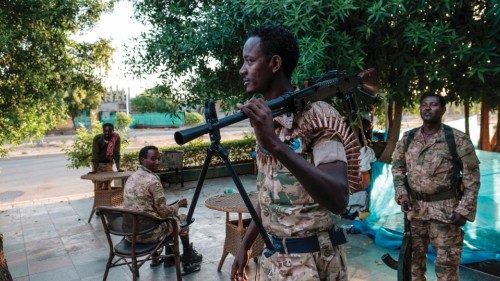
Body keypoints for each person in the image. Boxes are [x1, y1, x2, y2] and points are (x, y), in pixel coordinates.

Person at [231, 25, 359, 281]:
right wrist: (245, 245)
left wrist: (276, 146)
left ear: (275, 63)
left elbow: (338, 198)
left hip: (312, 262)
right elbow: (270, 193)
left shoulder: (320, 116)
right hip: (277, 260)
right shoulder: (269, 120)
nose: (242, 70)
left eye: (250, 61)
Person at [392, 93, 480, 281]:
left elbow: (472, 179)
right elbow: (397, 168)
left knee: (446, 267)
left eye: (433, 105)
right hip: (415, 212)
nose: (427, 108)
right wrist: (402, 195)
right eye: (424, 104)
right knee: (414, 264)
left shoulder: (457, 139)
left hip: (446, 213)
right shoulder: (408, 138)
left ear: (442, 109)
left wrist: (464, 210)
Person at [122, 145, 203, 272]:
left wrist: (170, 207)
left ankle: (161, 259)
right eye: (153, 159)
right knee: (182, 219)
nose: (157, 162)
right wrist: (178, 205)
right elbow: (164, 212)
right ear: (142, 160)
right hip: (148, 234)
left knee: (164, 218)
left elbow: (148, 207)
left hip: (130, 233)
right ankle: (188, 259)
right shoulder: (153, 180)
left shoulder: (131, 178)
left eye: (158, 159)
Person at [90, 123, 122, 190]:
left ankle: (106, 198)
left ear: (113, 131)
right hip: (98, 163)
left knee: (108, 181)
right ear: (103, 131)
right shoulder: (97, 138)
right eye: (105, 131)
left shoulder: (116, 138)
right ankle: (99, 198)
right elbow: (95, 154)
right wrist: (95, 170)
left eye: (109, 131)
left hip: (108, 163)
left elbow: (116, 153)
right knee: (98, 183)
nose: (107, 133)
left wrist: (118, 168)